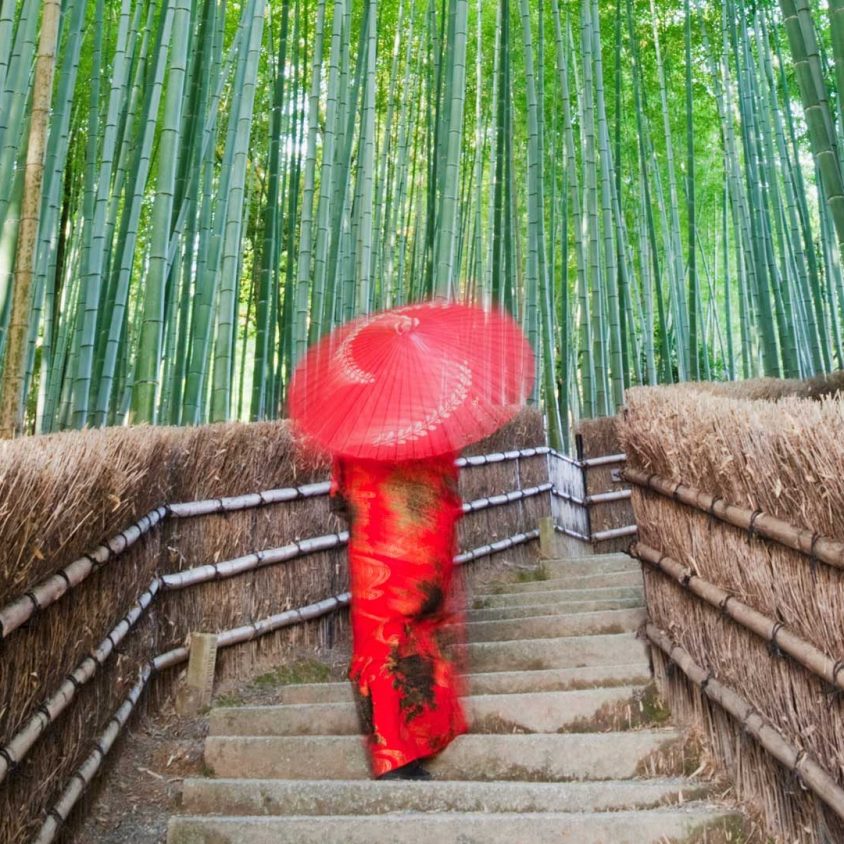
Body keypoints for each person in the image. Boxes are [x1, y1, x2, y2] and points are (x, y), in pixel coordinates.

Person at [330, 452, 468, 780]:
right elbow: (446, 484)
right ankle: (415, 744)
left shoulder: (354, 429)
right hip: (420, 538)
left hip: (376, 539)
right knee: (416, 634)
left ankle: (391, 753)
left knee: (381, 640)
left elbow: (340, 496)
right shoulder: (427, 421)